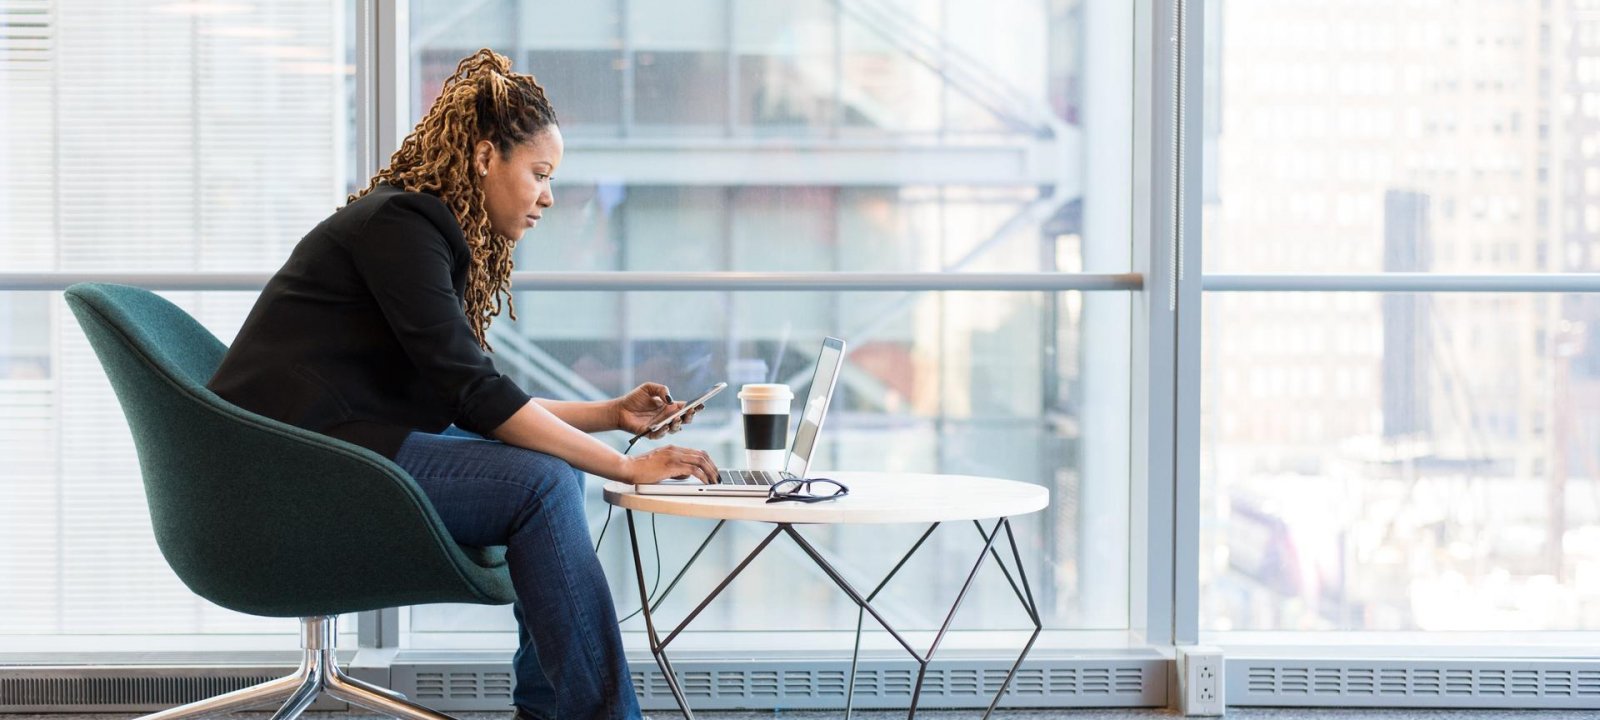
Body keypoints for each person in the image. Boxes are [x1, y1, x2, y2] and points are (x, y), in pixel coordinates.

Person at [206, 48, 718, 720]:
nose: (549, 196)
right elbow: (477, 397)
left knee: (551, 476)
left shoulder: (418, 230)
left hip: (328, 448)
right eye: (538, 173)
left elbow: (473, 396)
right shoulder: (402, 226)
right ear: (483, 159)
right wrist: (628, 467)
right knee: (544, 482)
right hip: (284, 470)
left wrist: (610, 415)